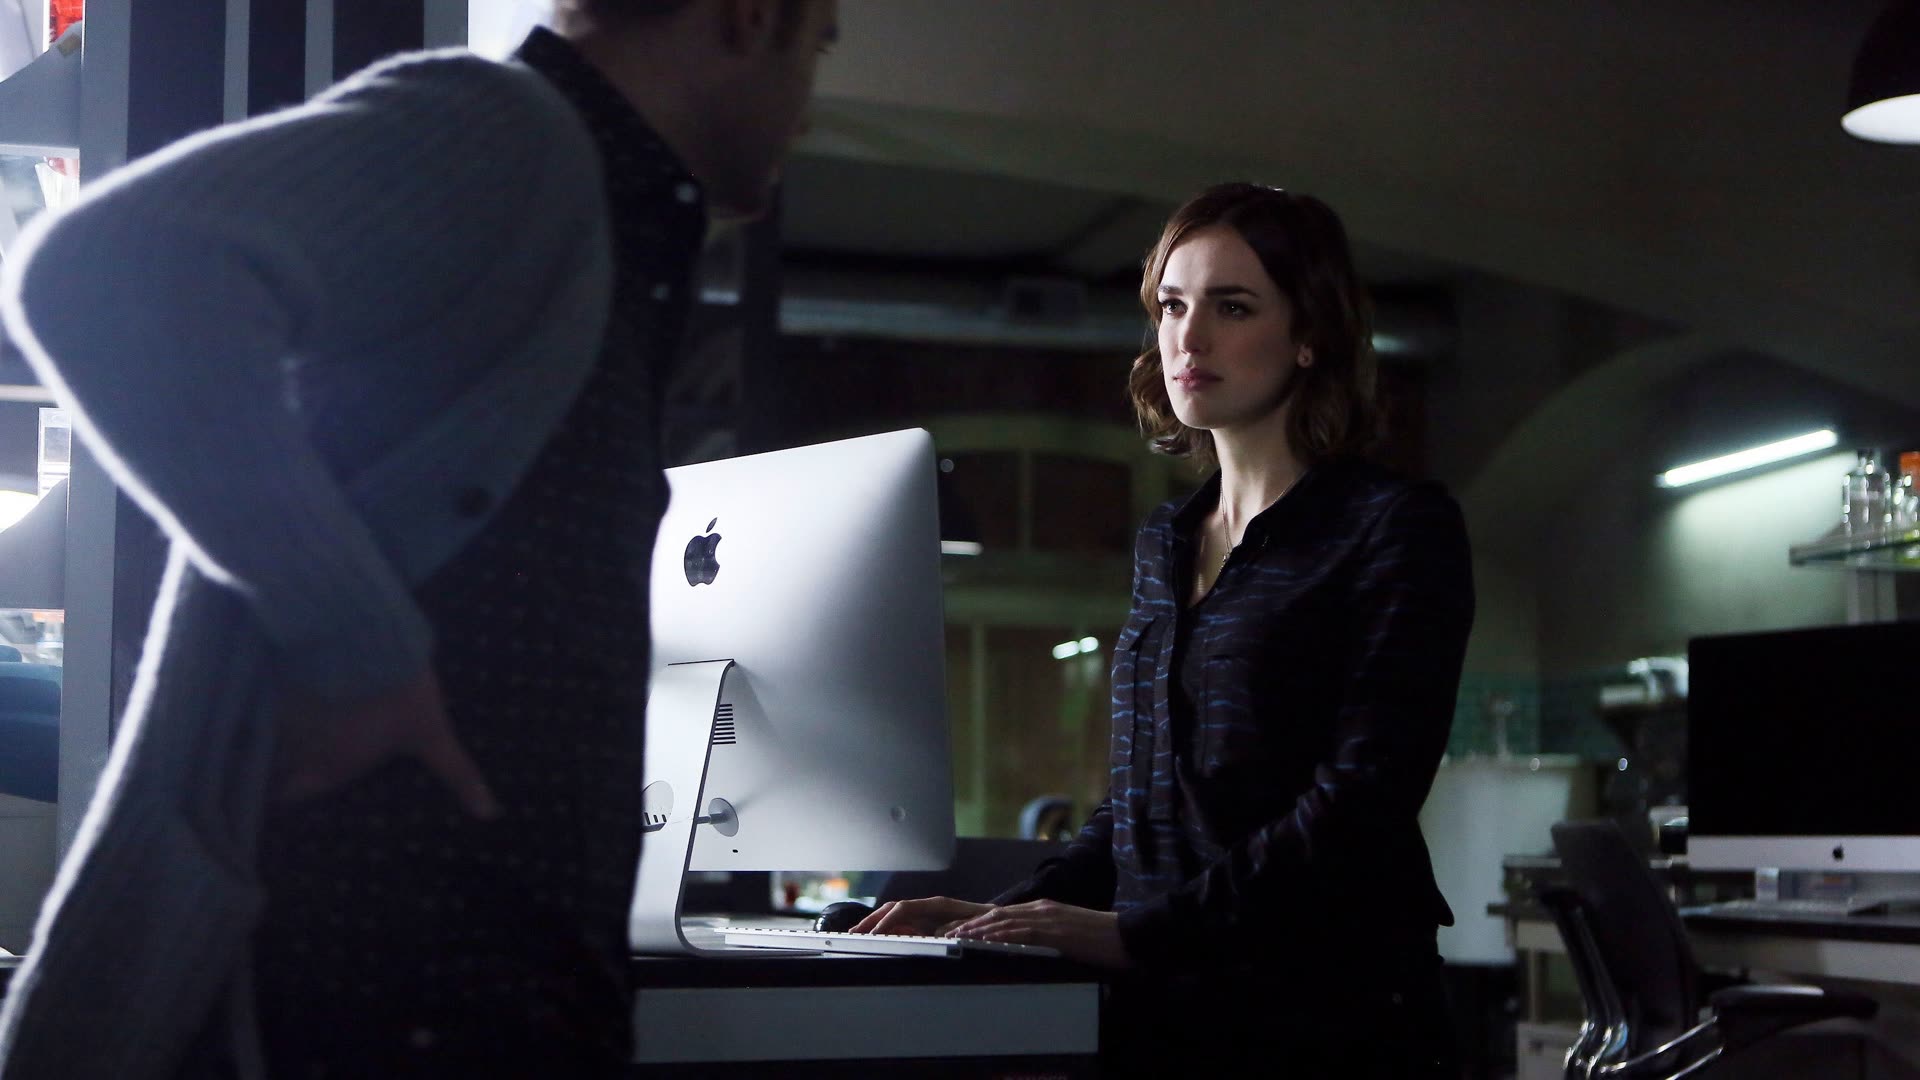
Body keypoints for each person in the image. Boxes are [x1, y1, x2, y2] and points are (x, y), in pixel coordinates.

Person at [0, 1, 838, 1076]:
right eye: (820, 46)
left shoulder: (596, 215)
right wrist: (356, 644)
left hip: (480, 984)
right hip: (366, 985)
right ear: (750, 16)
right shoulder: (509, 132)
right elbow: (108, 269)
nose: (811, 108)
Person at [855, 182, 1475, 1077]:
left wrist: (1139, 934)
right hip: (1162, 1010)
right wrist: (999, 915)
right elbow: (1141, 804)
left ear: (1310, 334)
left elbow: (1362, 801)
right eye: (1173, 306)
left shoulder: (1394, 526)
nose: (1188, 338)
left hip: (1328, 1012)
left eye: (1233, 307)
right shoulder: (1167, 540)